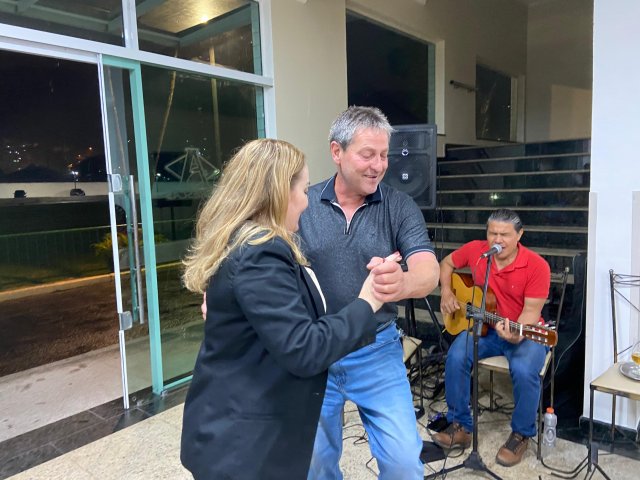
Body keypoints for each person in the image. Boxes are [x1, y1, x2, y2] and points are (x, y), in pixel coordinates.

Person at [180, 138, 388, 480]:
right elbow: (304, 348)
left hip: (233, 430)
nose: (307, 202)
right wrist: (369, 301)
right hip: (244, 446)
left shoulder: (244, 242)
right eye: (304, 190)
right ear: (279, 193)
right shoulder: (260, 252)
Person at [300, 106, 440, 480]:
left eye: (383, 155)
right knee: (313, 462)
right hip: (315, 349)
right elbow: (260, 248)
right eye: (367, 155)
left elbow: (428, 269)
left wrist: (403, 283)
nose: (378, 166)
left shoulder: (399, 205)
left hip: (376, 348)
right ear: (337, 151)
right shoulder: (302, 204)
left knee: (404, 463)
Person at [433, 208, 551, 467]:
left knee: (524, 369)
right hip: (486, 329)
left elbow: (530, 313)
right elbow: (446, 263)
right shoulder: (477, 251)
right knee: (456, 355)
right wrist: (446, 292)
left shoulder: (537, 266)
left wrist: (517, 334)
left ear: (520, 235)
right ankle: (460, 426)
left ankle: (521, 434)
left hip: (524, 331)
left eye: (505, 235)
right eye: (492, 233)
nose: (497, 240)